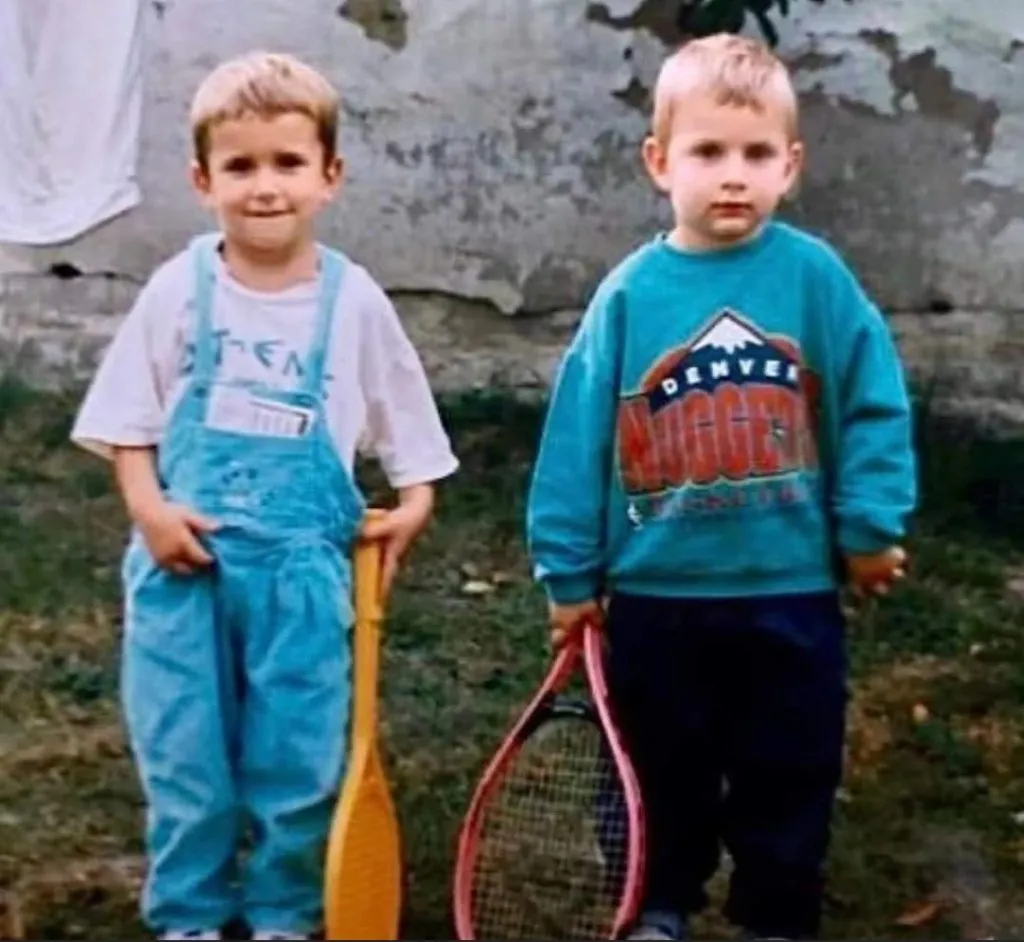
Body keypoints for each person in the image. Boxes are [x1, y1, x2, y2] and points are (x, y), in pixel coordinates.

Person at [525, 33, 917, 942]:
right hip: (659, 599)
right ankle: (657, 904)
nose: (732, 175)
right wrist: (569, 575)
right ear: (660, 163)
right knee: (660, 766)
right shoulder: (629, 297)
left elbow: (873, 403)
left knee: (792, 767)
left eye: (755, 154)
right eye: (707, 152)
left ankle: (778, 911)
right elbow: (576, 443)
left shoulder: (814, 278)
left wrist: (868, 525)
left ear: (791, 164)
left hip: (791, 591)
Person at [71, 51, 458, 941]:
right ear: (203, 181)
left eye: (288, 163)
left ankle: (285, 910)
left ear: (330, 176)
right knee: (186, 760)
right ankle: (191, 914)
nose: (265, 187)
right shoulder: (180, 292)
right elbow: (128, 423)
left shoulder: (352, 303)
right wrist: (150, 509)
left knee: (299, 754)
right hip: (186, 573)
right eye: (240, 167)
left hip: (300, 575)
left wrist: (414, 499)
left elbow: (405, 419)